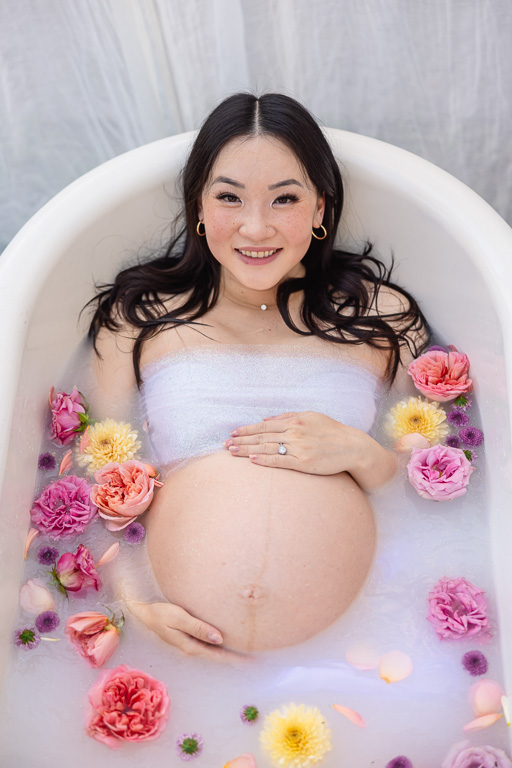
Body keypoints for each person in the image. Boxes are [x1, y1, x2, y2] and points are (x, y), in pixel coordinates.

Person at [87, 92, 429, 658]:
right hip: (163, 655)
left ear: (320, 209)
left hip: (365, 654)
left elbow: (433, 483)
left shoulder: (379, 318)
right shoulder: (141, 316)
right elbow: (85, 473)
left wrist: (361, 454)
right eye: (229, 198)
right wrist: (127, 599)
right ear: (199, 204)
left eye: (284, 199)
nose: (254, 227)